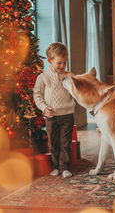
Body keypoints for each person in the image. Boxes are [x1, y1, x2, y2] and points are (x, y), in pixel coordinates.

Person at [33, 42, 75, 178]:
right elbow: (37, 95)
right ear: (50, 61)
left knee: (65, 143)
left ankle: (65, 167)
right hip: (51, 116)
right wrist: (44, 108)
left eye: (64, 62)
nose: (62, 66)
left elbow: (76, 93)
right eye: (59, 63)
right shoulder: (43, 77)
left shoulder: (69, 76)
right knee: (54, 143)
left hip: (67, 114)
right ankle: (56, 166)